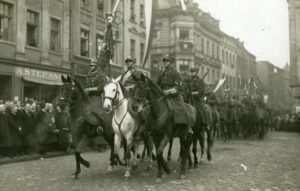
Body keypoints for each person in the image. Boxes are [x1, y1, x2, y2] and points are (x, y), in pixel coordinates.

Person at [156, 55, 192, 133]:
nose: (165, 63)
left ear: (171, 63)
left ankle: (187, 127)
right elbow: (157, 84)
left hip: (174, 96)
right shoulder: (162, 73)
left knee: (182, 108)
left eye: (167, 61)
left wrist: (168, 91)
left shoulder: (175, 73)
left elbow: (178, 86)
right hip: (162, 95)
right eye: (164, 61)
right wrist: (159, 91)